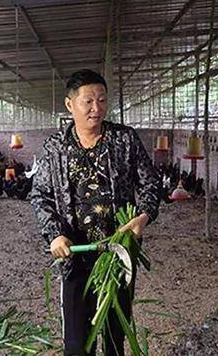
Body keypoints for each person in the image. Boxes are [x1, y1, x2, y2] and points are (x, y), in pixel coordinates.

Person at [30, 69, 161, 355]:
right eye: (88, 101)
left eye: (102, 100)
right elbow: (40, 195)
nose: (96, 108)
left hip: (118, 253)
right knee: (77, 343)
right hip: (75, 255)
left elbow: (151, 182)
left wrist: (144, 215)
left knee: (115, 334)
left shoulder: (124, 140)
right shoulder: (55, 148)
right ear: (70, 105)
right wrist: (54, 235)